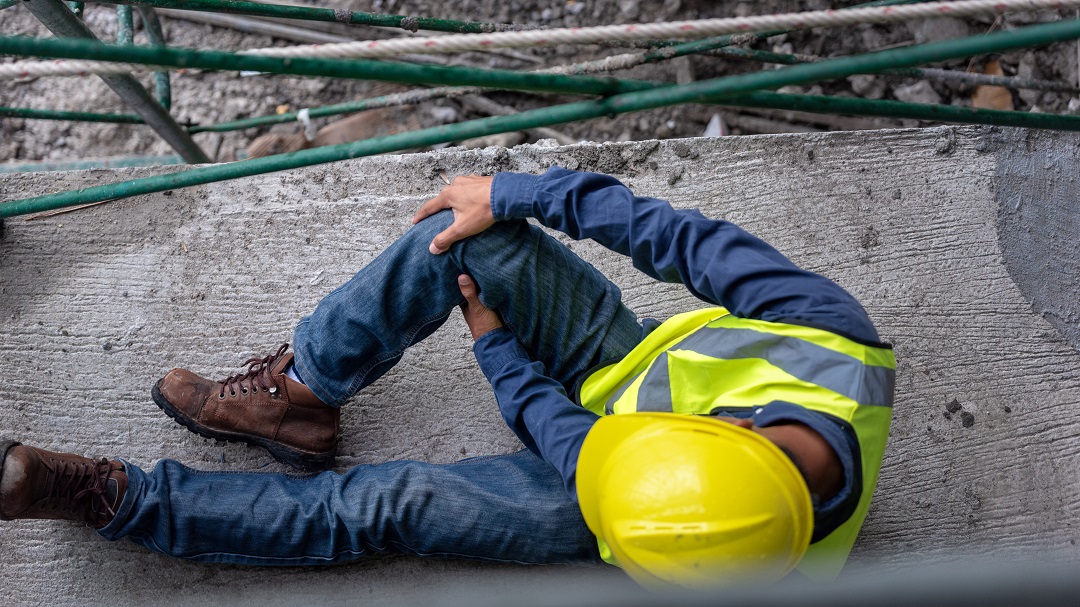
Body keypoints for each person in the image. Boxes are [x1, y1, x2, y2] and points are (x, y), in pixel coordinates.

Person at [0, 168, 894, 588]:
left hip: (609, 479)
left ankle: (122, 499)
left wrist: (499, 355)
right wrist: (516, 194)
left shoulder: (700, 546)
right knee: (467, 237)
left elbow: (576, 451)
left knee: (387, 505)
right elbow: (680, 236)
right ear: (735, 428)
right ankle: (301, 395)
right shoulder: (829, 338)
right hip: (619, 371)